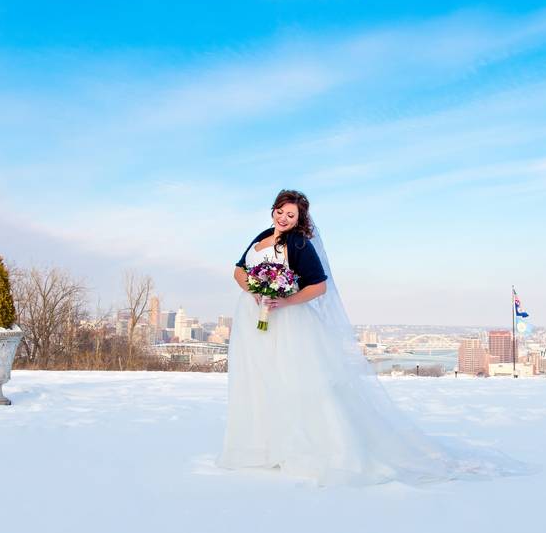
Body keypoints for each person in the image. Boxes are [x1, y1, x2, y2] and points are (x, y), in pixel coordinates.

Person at [215, 189, 524, 487]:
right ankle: (264, 445)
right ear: (273, 210)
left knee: (293, 380)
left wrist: (284, 300)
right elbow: (239, 270)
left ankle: (306, 446)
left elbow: (318, 286)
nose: (283, 218)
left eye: (290, 214)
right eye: (280, 211)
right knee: (260, 380)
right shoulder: (260, 237)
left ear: (299, 219)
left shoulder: (297, 245)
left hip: (287, 321)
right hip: (253, 317)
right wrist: (256, 290)